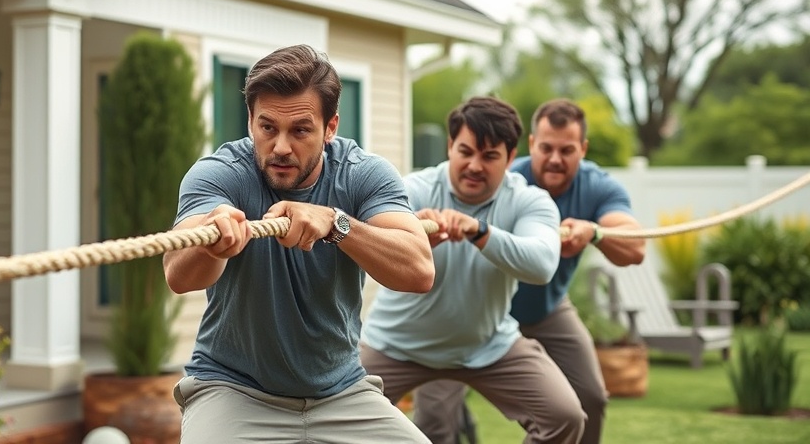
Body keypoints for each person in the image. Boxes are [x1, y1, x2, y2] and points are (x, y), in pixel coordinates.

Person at [162, 44, 436, 443]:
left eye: (301, 130)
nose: (281, 147)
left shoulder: (364, 175)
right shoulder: (220, 174)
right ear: (251, 120)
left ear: (330, 127)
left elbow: (419, 270)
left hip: (341, 393)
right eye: (267, 127)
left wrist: (336, 224)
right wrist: (211, 242)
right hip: (234, 389)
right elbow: (178, 274)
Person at [414, 98, 646, 444]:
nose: (555, 158)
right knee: (434, 421)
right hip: (469, 315)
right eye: (547, 147)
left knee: (591, 398)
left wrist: (594, 232)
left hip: (545, 310)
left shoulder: (596, 186)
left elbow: (635, 246)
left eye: (567, 150)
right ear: (532, 145)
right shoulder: (502, 178)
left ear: (582, 149)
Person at [360, 96, 587, 444]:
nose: (475, 166)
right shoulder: (413, 190)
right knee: (329, 416)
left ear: (511, 158)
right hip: (395, 346)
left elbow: (542, 265)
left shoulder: (530, 200)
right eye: (466, 152)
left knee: (565, 417)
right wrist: (413, 238)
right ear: (451, 146)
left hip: (488, 345)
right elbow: (367, 240)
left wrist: (479, 231)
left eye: (490, 156)